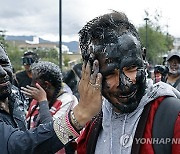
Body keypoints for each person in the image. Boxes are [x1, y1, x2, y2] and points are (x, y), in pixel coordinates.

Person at [76, 11, 180, 154]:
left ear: (143, 58)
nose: (125, 84)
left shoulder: (173, 117)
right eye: (110, 74)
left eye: (131, 67)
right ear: (90, 73)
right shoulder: (91, 123)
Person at [0, 44, 103, 154]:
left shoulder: (14, 96)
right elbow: (21, 145)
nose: (2, 72)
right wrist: (80, 114)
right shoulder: (35, 100)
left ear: (46, 85)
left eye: (4, 63)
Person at [25, 61, 78, 153]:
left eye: (34, 81)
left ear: (46, 85)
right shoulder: (35, 101)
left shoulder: (68, 101)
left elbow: (52, 133)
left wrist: (43, 102)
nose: (31, 85)